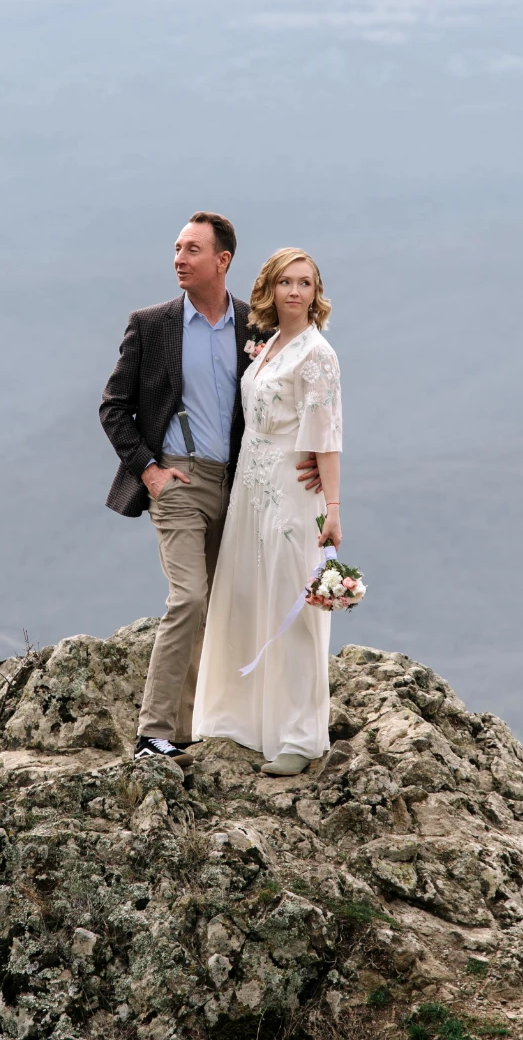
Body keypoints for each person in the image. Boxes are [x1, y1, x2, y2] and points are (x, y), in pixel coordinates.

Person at [100, 214, 320, 764]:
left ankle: (194, 726)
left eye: (192, 249)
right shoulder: (151, 325)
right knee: (190, 598)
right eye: (177, 248)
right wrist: (150, 471)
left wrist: (312, 459)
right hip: (177, 479)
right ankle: (153, 733)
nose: (179, 258)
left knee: (223, 605)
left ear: (223, 260)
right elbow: (113, 407)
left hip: (242, 486)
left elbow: (290, 395)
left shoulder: (255, 327)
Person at [193, 247, 343, 777]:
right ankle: (244, 718)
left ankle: (299, 736)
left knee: (291, 604)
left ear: (316, 293)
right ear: (271, 289)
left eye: (305, 282)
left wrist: (332, 507)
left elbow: (327, 434)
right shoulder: (269, 343)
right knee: (246, 595)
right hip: (250, 488)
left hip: (291, 491)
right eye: (286, 282)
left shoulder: (317, 354)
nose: (295, 291)